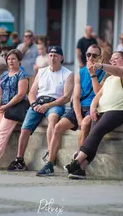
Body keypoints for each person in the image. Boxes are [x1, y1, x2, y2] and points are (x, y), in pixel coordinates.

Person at [64, 51, 123, 179]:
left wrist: (101, 66)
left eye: (116, 58)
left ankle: (76, 161)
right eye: (111, 60)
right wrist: (93, 106)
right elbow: (98, 93)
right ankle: (81, 169)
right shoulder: (109, 78)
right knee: (94, 137)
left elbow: (120, 71)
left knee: (97, 131)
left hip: (119, 109)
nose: (113, 61)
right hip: (101, 110)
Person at [36, 44, 106, 176]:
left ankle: (78, 164)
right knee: (58, 127)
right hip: (79, 107)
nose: (91, 57)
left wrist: (93, 74)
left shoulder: (104, 73)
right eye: (88, 54)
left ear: (100, 58)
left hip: (94, 107)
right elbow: (76, 97)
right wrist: (78, 117)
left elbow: (98, 93)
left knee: (85, 124)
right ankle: (50, 163)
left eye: (94, 55)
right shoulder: (80, 72)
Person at [7, 46, 74, 171]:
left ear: (62, 58)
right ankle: (19, 159)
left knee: (53, 119)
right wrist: (34, 105)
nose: (53, 58)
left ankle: (50, 156)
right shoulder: (42, 71)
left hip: (55, 103)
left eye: (56, 55)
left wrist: (47, 106)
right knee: (25, 127)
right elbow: (31, 93)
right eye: (50, 55)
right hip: (39, 103)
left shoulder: (68, 74)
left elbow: (66, 97)